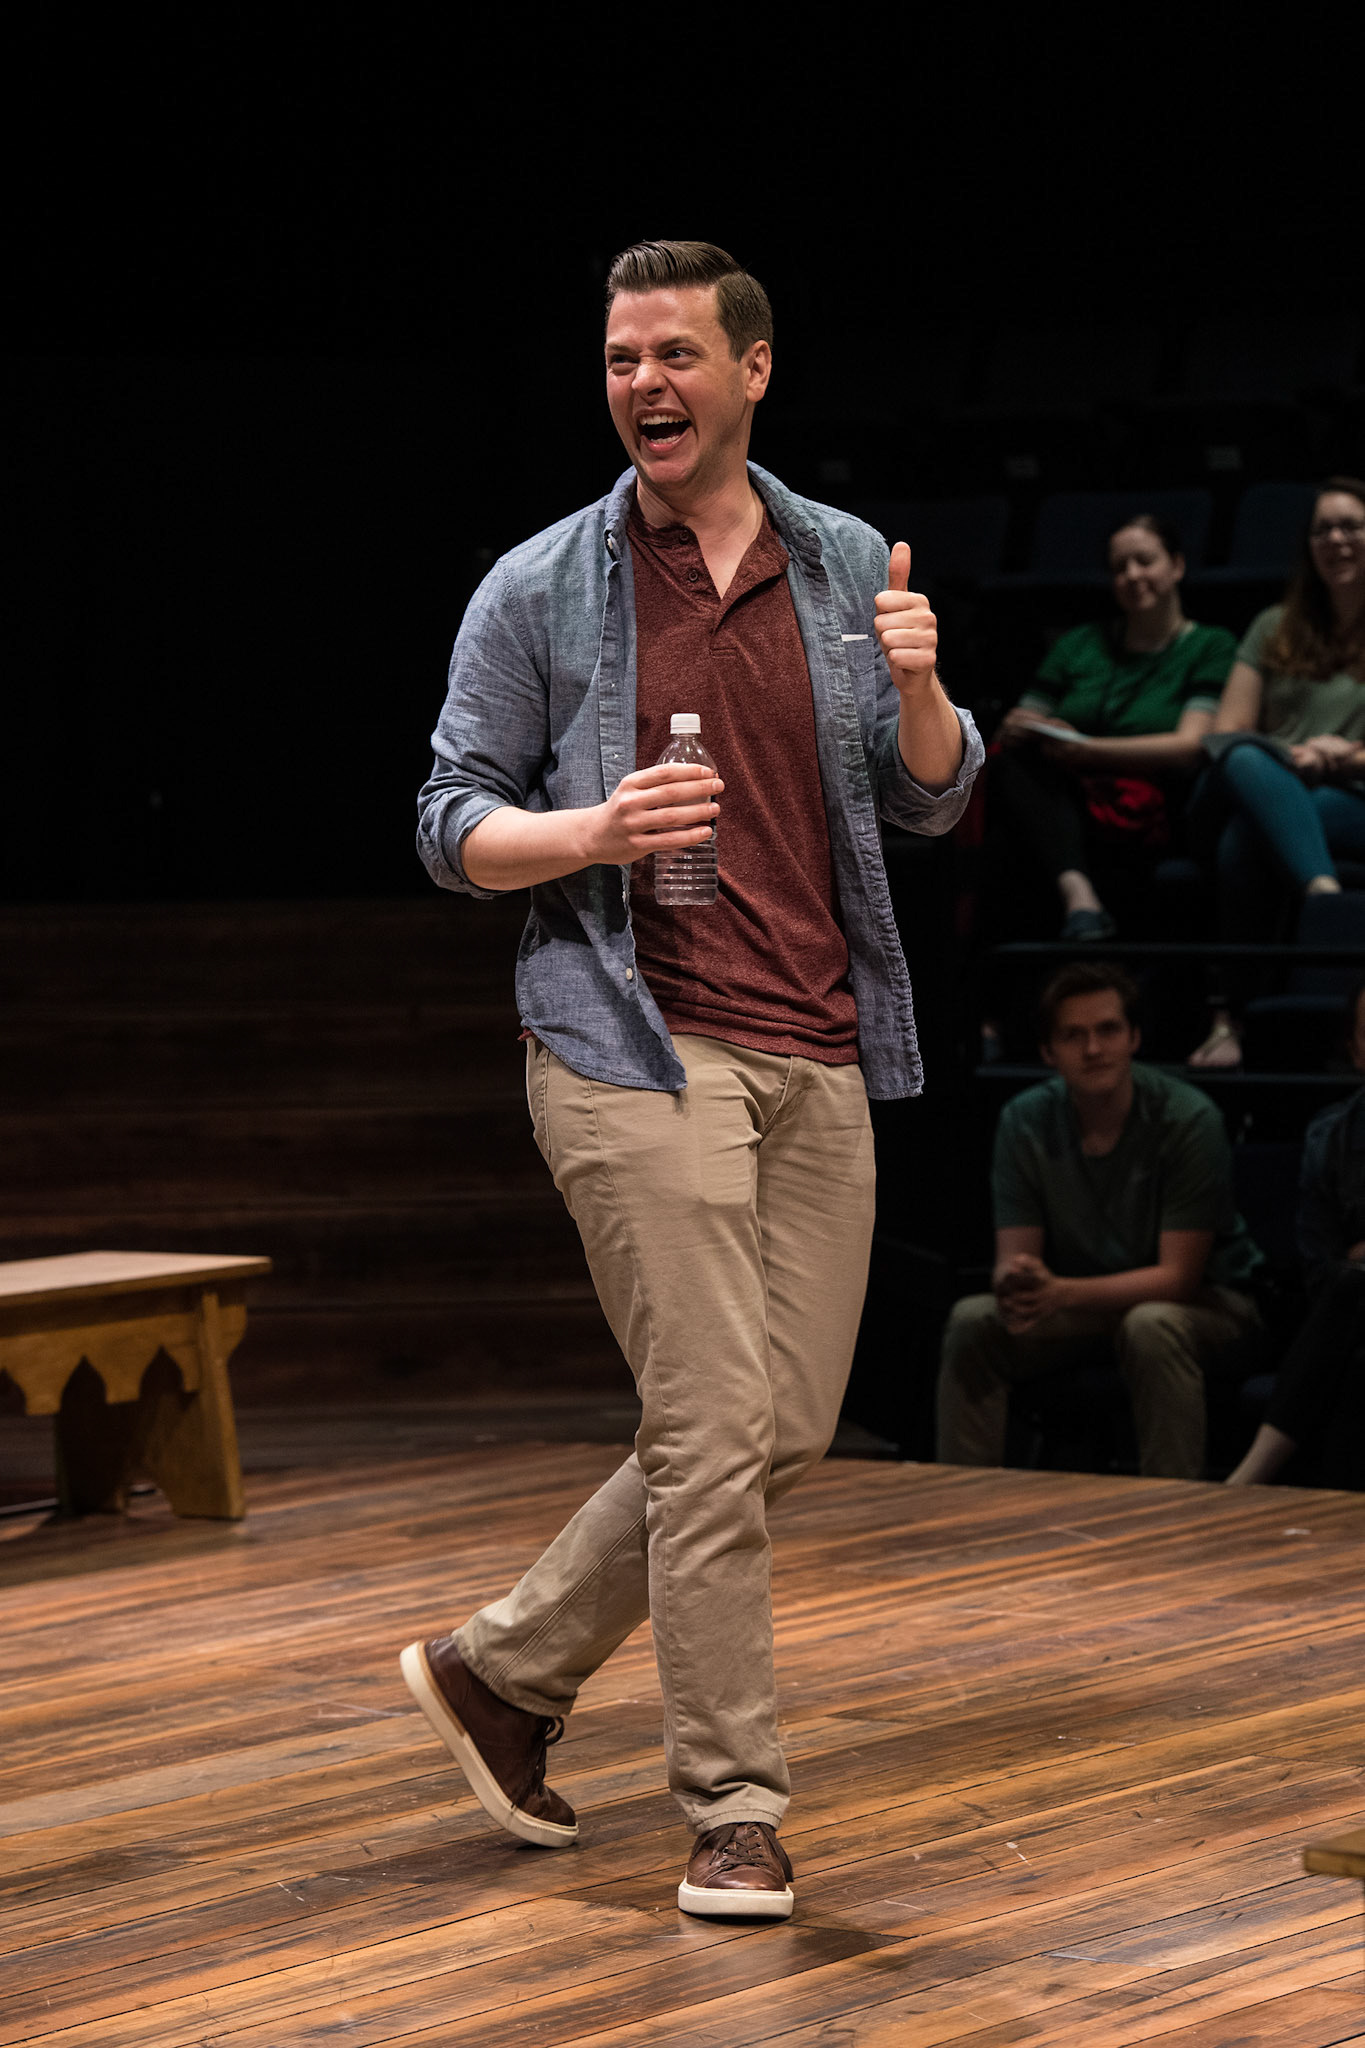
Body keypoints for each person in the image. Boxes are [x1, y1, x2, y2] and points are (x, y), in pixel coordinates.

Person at [406, 241, 983, 1922]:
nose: (643, 384)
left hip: (817, 1045)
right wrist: (589, 831)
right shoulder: (540, 584)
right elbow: (448, 819)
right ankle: (733, 1802)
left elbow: (935, 803)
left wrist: (925, 687)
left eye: (673, 354)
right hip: (627, 1044)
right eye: (618, 358)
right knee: (713, 1426)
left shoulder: (833, 565)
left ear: (751, 370)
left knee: (780, 1424)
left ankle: (502, 1670)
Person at [938, 961, 1263, 1479]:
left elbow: (1177, 1279)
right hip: (1084, 1299)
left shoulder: (1188, 1118)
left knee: (1151, 1324)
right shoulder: (1025, 1120)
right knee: (973, 1321)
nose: (1093, 1049)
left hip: (1206, 1304)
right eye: (1073, 1035)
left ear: (1134, 1037)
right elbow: (1014, 1256)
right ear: (1048, 1052)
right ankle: (959, 1508)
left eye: (1108, 1030)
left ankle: (1171, 1513)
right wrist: (1017, 1282)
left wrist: (1059, 1293)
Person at [989, 514, 1236, 941]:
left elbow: (1191, 745)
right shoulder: (1078, 644)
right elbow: (1018, 720)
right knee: (1010, 763)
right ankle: (1079, 898)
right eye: (1120, 567)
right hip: (1070, 798)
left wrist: (1087, 749)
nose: (1132, 576)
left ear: (1176, 566)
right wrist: (1037, 727)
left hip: (1160, 800)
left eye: (1145, 561)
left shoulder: (1210, 645)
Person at [1187, 476, 1365, 1068]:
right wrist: (1289, 758)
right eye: (1323, 529)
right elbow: (1226, 733)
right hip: (1249, 776)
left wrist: (1341, 755)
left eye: (1350, 526)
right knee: (1243, 760)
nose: (1336, 539)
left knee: (1248, 840)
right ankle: (1325, 901)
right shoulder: (1274, 626)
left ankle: (1229, 1020)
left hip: (1344, 792)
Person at [1227, 979, 1365, 1488]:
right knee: (1355, 1357)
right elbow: (1321, 1270)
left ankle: (1250, 1477)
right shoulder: (1330, 1136)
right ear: (1354, 1050)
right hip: (1349, 1323)